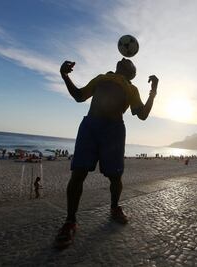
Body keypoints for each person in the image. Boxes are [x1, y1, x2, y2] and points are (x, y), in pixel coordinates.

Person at [54, 58, 158, 248]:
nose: (124, 58)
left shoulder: (131, 88)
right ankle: (70, 221)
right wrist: (65, 75)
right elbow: (79, 96)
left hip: (114, 131)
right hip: (90, 127)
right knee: (78, 174)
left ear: (130, 73)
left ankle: (114, 207)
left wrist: (153, 92)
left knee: (115, 176)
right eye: (123, 58)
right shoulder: (101, 78)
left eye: (128, 61)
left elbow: (142, 114)